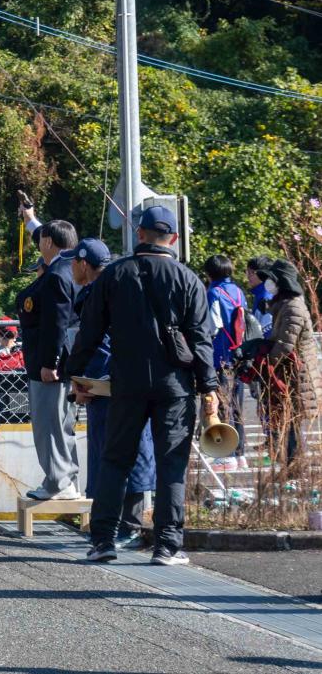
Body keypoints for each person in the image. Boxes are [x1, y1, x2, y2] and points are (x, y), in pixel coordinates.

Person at [67, 205, 217, 566]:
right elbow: (201, 338)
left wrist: (74, 375)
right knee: (171, 464)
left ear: (139, 234)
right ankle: (167, 546)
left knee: (115, 460)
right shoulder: (188, 278)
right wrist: (207, 385)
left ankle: (102, 540)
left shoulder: (114, 275)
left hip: (127, 383)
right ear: (175, 239)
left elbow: (89, 333)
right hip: (175, 386)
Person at [69, 239, 155, 550]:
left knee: (120, 454)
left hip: (110, 386)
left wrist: (85, 381)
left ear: (83, 263)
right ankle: (116, 525)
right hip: (125, 381)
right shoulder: (124, 281)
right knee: (123, 453)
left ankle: (125, 525)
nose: (71, 268)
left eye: (73, 262)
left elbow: (99, 344)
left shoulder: (99, 290)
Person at [16, 217, 82, 501]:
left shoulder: (56, 274)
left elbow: (56, 323)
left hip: (51, 363)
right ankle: (66, 480)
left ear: (48, 242)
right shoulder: (75, 269)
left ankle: (58, 483)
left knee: (49, 425)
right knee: (63, 424)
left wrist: (49, 362)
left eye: (41, 238)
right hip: (68, 360)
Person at [263, 258, 322, 477]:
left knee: (293, 425)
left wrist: (267, 363)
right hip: (290, 373)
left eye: (271, 278)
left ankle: (295, 469)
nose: (268, 282)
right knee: (290, 424)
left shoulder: (293, 307)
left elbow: (285, 345)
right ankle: (292, 468)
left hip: (298, 376)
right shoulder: (284, 305)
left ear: (282, 282)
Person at [204, 254, 248, 467]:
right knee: (237, 404)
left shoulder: (214, 293)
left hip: (221, 355)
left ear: (209, 273)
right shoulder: (238, 292)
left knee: (221, 403)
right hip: (239, 355)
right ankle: (241, 454)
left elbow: (213, 326)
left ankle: (226, 454)